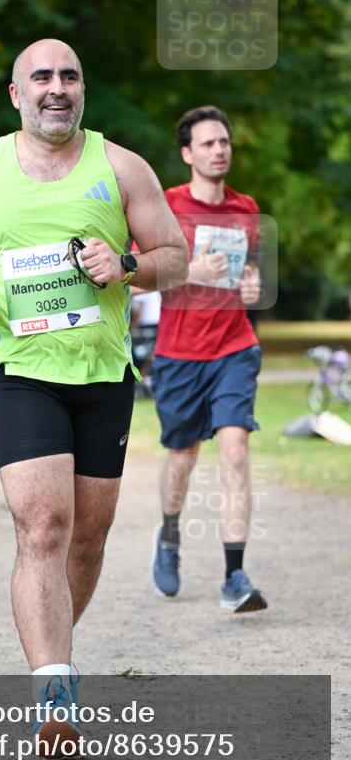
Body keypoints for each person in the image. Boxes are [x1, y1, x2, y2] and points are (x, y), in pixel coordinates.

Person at [0, 38, 188, 754]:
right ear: (16, 94)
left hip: (102, 376)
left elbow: (174, 256)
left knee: (87, 537)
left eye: (68, 75)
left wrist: (127, 264)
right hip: (20, 368)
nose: (55, 87)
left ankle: (57, 649)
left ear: (81, 90)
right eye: (40, 76)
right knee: (42, 527)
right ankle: (55, 698)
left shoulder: (122, 166)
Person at [149, 105, 267, 613]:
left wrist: (253, 285)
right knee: (183, 457)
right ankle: (170, 534)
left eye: (225, 142)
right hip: (178, 354)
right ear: (187, 153)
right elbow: (139, 274)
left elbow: (250, 277)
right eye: (208, 144)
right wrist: (190, 269)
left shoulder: (246, 210)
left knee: (236, 450)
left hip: (234, 346)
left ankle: (234, 575)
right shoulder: (166, 207)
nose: (220, 150)